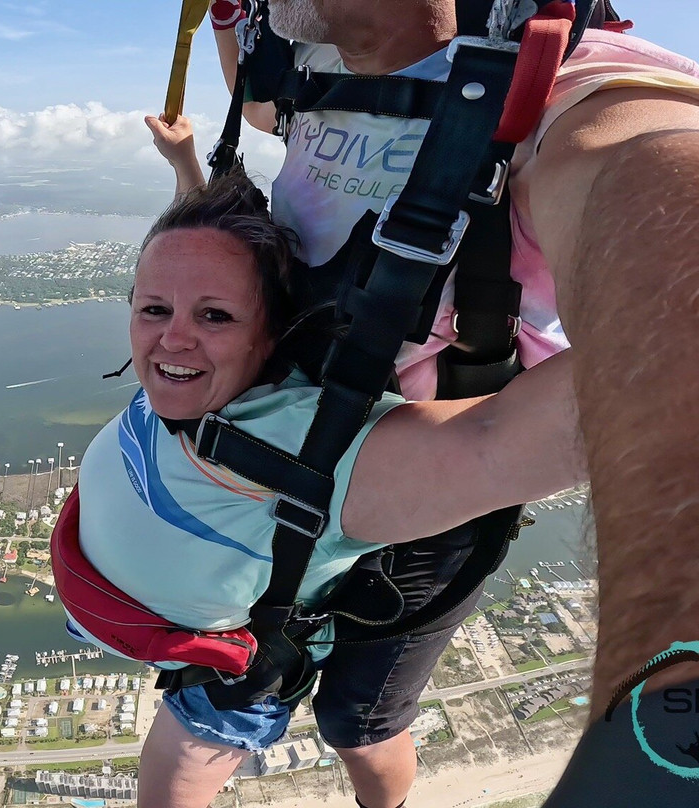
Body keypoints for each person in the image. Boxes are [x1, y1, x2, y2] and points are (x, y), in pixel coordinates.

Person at [146, 1, 699, 805]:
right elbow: (265, 102)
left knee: (359, 720)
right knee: (213, 700)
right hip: (283, 460)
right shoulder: (328, 70)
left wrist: (657, 757)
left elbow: (645, 177)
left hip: (435, 491)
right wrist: (231, 30)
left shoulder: (580, 90)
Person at [64, 171, 585, 808]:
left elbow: (511, 437)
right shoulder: (188, 387)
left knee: (359, 726)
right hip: (145, 627)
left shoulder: (317, 448)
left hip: (225, 669)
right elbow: (191, 274)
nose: (172, 338)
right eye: (153, 309)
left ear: (271, 333)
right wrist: (185, 171)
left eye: (215, 316)